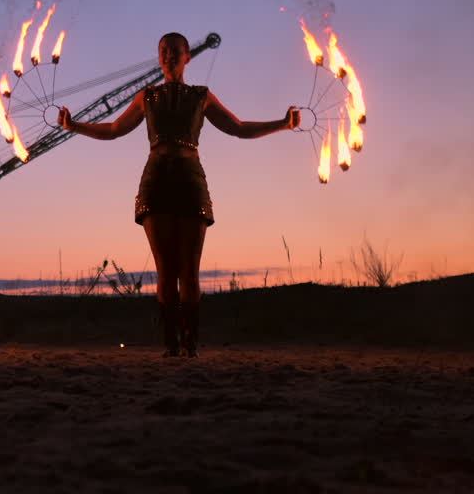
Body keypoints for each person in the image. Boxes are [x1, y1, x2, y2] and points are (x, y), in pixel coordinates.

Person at [57, 33, 298, 357]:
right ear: (159, 58)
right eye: (163, 52)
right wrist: (75, 126)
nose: (169, 56)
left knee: (190, 269)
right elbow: (114, 129)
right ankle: (171, 344)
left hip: (189, 180)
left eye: (175, 51)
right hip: (156, 181)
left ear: (187, 57)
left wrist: (283, 124)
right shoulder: (147, 96)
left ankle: (190, 344)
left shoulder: (202, 96)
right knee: (166, 270)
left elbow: (238, 127)